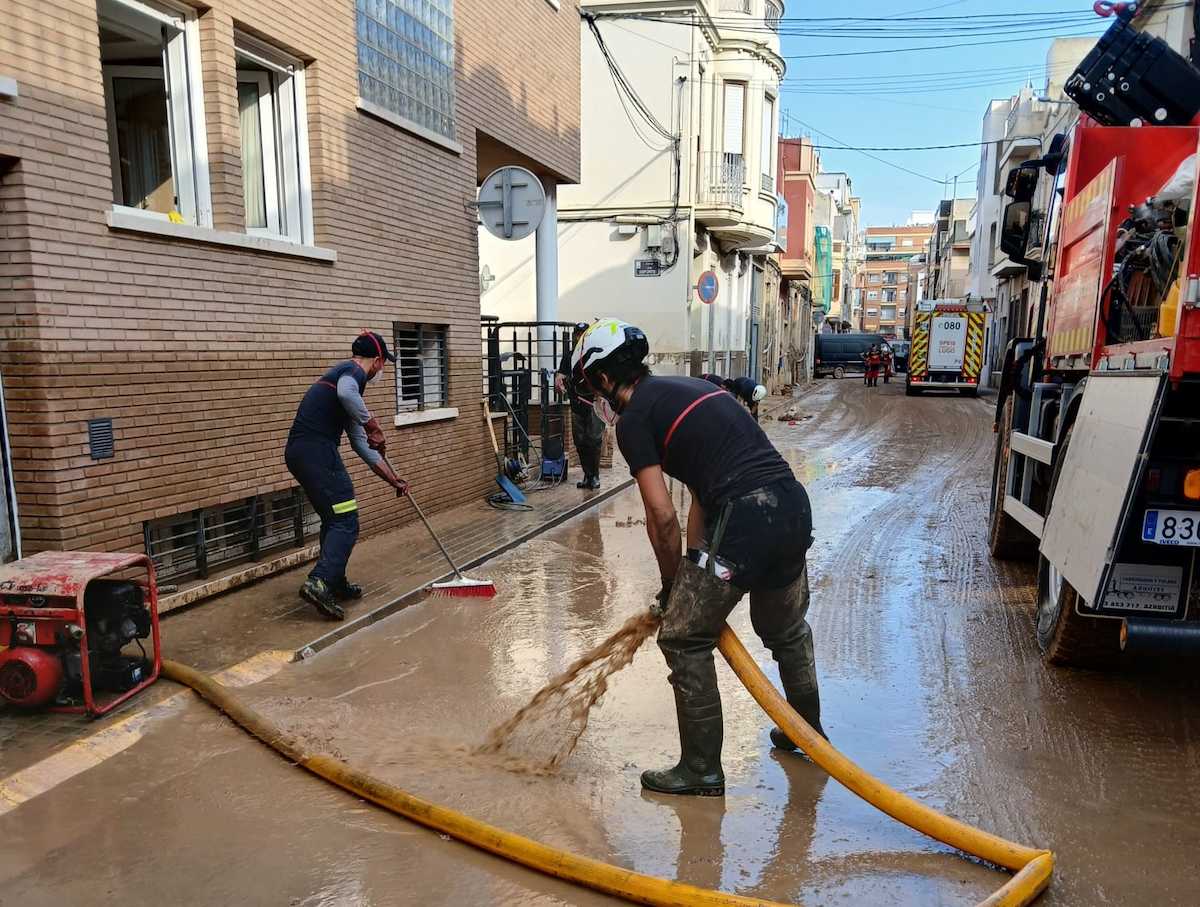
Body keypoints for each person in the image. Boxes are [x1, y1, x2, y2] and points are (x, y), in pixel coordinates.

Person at [572, 318, 824, 797]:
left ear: (604, 378)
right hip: (790, 507)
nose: (595, 394)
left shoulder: (634, 420)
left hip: (747, 516)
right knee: (786, 631)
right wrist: (690, 569)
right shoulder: (688, 388)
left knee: (685, 638)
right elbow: (699, 497)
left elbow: (661, 514)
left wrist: (674, 590)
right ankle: (806, 733)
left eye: (592, 384)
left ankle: (702, 769)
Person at [285, 331, 409, 620]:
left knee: (335, 519)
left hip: (303, 454)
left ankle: (334, 580)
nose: (382, 370)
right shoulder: (351, 372)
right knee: (346, 519)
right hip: (316, 453)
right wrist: (373, 425)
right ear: (377, 361)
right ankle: (319, 582)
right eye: (384, 364)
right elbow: (346, 393)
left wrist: (393, 478)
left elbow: (359, 443)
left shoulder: (350, 390)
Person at [555, 322, 605, 490]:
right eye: (577, 334)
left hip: (593, 404)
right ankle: (587, 476)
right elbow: (561, 374)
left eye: (582, 334)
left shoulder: (595, 354)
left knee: (594, 440)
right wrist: (559, 381)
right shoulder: (569, 356)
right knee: (580, 442)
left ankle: (595, 476)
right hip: (576, 404)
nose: (579, 337)